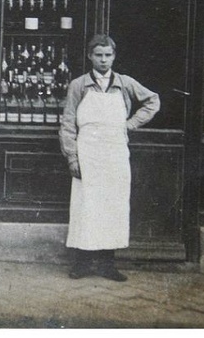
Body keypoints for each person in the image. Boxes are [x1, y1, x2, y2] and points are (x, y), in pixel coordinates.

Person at [59, 34, 160, 281]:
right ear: (90, 56)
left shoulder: (124, 83)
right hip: (88, 151)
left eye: (108, 55)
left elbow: (152, 101)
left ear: (114, 56)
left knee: (112, 205)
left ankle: (107, 264)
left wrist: (130, 124)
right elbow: (68, 123)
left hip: (114, 151)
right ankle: (82, 263)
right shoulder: (78, 85)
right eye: (98, 55)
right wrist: (72, 157)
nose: (103, 60)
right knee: (86, 205)